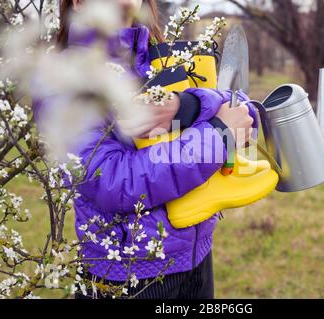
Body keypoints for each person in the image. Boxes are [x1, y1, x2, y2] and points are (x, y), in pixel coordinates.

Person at [36, 0, 258, 299]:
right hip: (125, 277)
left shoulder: (161, 58)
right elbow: (114, 181)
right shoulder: (65, 79)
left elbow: (243, 110)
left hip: (195, 259)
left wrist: (187, 106)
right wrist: (218, 135)